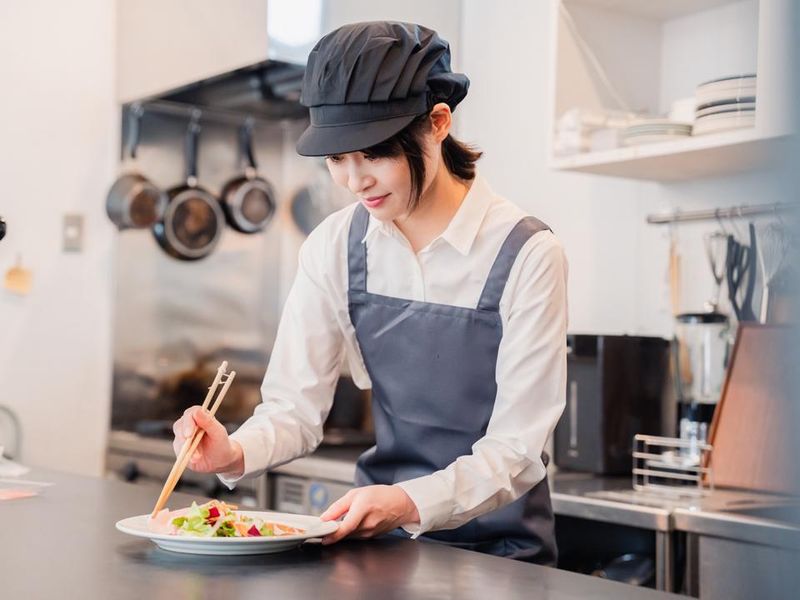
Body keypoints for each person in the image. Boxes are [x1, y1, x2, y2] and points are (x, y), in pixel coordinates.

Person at [172, 21, 568, 565]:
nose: (355, 181)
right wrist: (235, 450)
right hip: (380, 550)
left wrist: (407, 501)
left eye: (374, 154)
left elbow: (518, 451)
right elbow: (293, 408)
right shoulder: (336, 245)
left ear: (437, 123)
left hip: (503, 555)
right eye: (337, 159)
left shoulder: (527, 252)